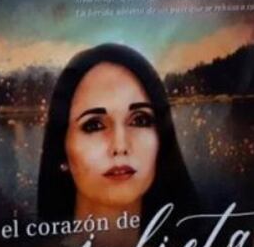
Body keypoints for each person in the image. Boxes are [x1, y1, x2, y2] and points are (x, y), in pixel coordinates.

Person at [37, 43, 199, 224]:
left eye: (140, 120)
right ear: (62, 148)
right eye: (94, 125)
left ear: (161, 138)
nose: (120, 146)